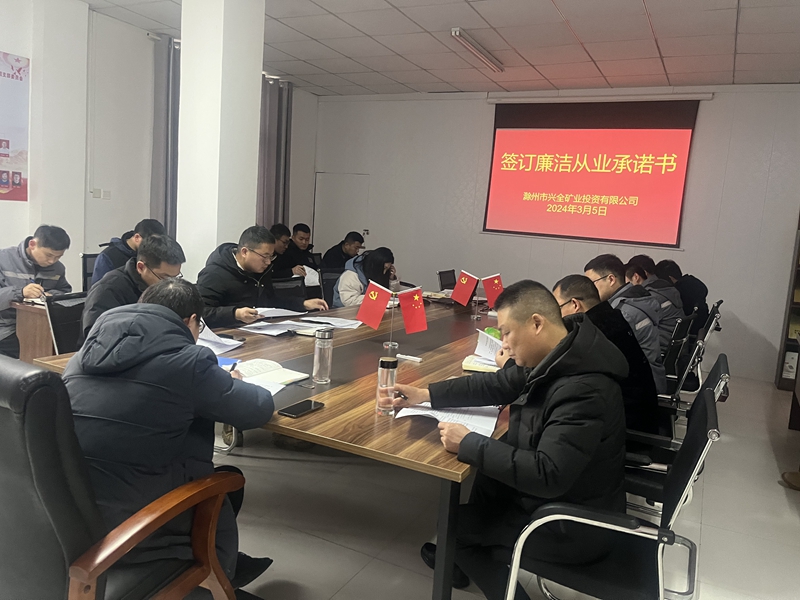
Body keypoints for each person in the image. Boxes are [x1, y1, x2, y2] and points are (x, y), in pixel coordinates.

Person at [391, 280, 628, 600]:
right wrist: (425, 394)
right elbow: (497, 385)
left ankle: (476, 562)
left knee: (453, 528)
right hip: (559, 498)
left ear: (536, 324)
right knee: (484, 484)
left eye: (506, 333)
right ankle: (470, 556)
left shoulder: (583, 388)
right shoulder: (560, 353)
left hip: (569, 525)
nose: (503, 344)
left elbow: (548, 474)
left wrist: (468, 443)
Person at [64, 278, 274, 589]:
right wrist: (230, 381)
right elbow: (258, 408)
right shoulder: (189, 363)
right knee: (229, 480)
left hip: (75, 514)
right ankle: (217, 568)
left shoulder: (80, 358)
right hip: (139, 527)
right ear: (191, 321)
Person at [553, 274, 660, 433]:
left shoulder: (591, 333)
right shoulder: (612, 316)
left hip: (625, 427)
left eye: (558, 308)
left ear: (575, 304)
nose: (557, 316)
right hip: (640, 414)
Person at [196, 225, 328, 328]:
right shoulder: (214, 273)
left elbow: (271, 301)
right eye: (264, 256)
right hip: (227, 337)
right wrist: (235, 314)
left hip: (258, 332)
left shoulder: (262, 271)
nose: (268, 262)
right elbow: (200, 313)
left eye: (271, 256)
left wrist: (303, 303)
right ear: (245, 252)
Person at [584, 254, 667, 393]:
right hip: (649, 376)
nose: (589, 291)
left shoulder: (623, 311)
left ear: (611, 279)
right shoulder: (636, 299)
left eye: (592, 283)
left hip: (640, 386)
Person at [80, 234, 185, 342]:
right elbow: (98, 339)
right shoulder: (107, 290)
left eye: (175, 277)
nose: (170, 284)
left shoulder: (161, 287)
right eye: (164, 277)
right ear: (141, 267)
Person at [0, 225, 72, 358]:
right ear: (32, 244)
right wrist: (20, 292)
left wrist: (51, 296)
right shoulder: (3, 259)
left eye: (58, 257)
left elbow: (64, 292)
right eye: (49, 255)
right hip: (6, 328)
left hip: (41, 326)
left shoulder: (58, 268)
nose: (52, 261)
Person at [627, 254, 685, 347]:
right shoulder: (664, 287)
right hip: (670, 341)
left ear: (637, 276)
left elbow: (634, 322)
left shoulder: (651, 296)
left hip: (660, 344)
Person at [91, 219, 166, 285]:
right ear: (137, 237)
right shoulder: (107, 256)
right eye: (149, 243)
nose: (152, 248)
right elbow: (98, 290)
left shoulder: (152, 253)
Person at [655, 259, 709, 336]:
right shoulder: (692, 283)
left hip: (688, 331)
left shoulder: (678, 292)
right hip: (699, 326)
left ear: (670, 278)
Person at [332, 247, 400, 308]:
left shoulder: (376, 272)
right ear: (375, 266)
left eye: (387, 269)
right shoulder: (351, 275)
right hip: (345, 311)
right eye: (384, 268)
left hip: (369, 309)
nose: (384, 272)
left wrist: (391, 279)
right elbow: (349, 301)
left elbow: (390, 295)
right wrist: (376, 297)